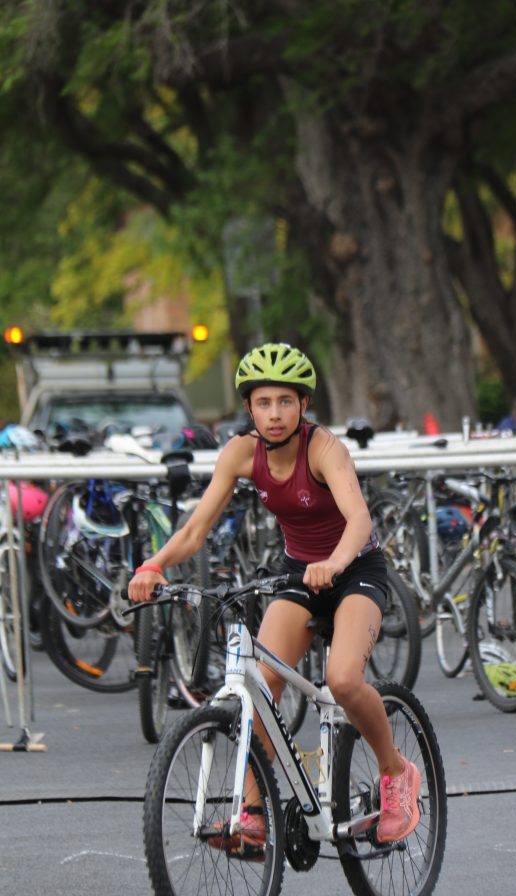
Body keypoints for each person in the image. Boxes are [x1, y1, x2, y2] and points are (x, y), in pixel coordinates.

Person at [128, 341, 420, 854]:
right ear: (249, 408)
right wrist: (153, 565)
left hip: (354, 570)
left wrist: (335, 562)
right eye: (264, 403)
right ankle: (256, 814)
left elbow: (359, 518)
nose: (275, 413)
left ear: (304, 404)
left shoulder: (324, 449)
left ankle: (396, 772)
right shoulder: (241, 453)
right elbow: (195, 529)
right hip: (298, 575)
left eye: (286, 401)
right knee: (259, 686)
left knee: (343, 679)